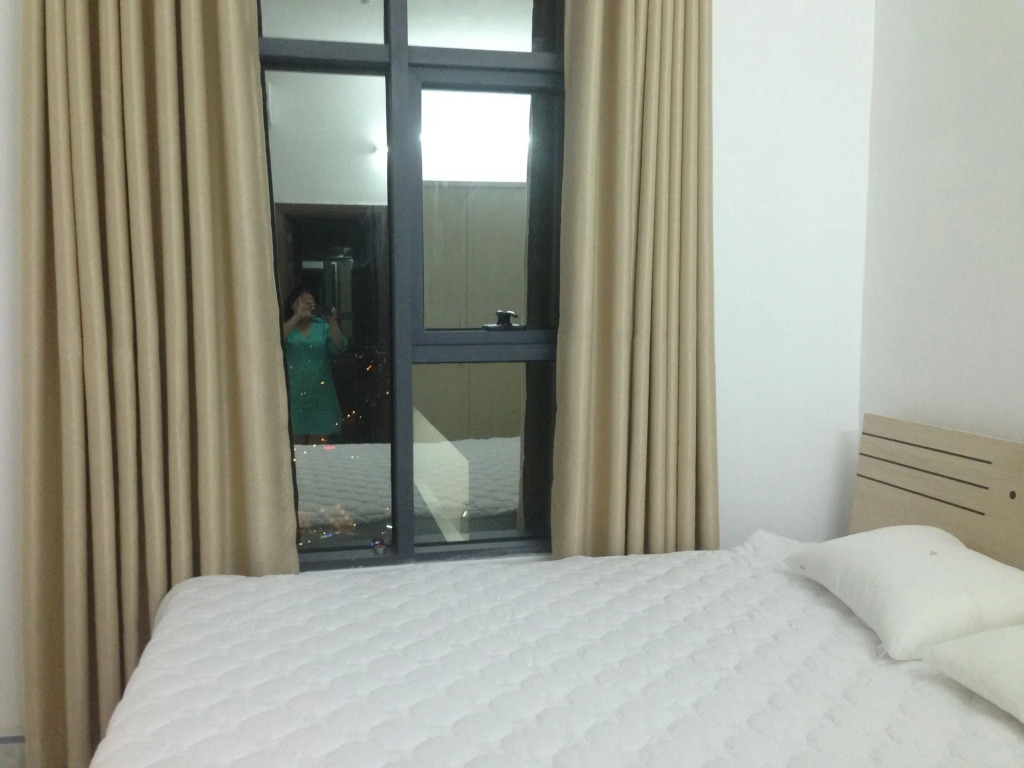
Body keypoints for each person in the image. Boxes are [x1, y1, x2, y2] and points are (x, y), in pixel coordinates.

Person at [282, 285, 347, 444]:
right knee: (295, 447)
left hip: (320, 393)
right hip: (294, 393)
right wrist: (297, 316)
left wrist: (332, 321)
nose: (307, 306)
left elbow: (339, 346)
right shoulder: (287, 326)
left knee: (319, 447)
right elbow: (276, 340)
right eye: (302, 302)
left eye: (310, 302)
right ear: (293, 304)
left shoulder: (322, 327)